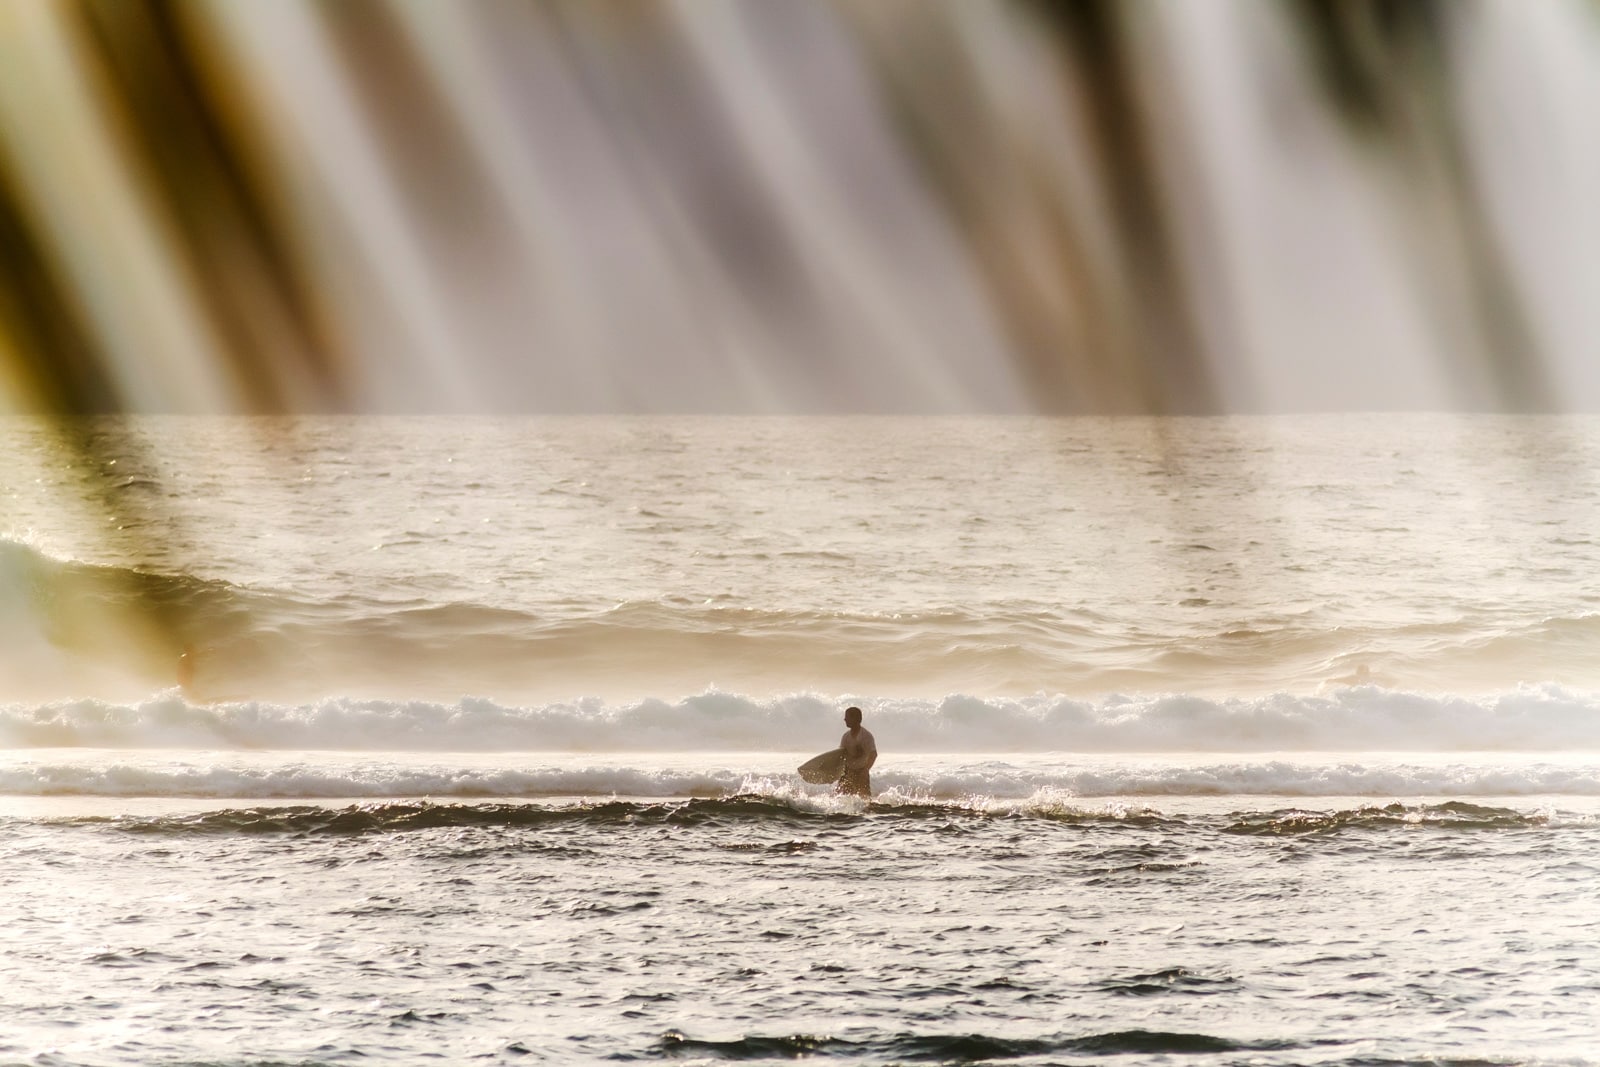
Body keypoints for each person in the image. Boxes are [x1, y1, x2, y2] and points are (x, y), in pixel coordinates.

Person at [837, 706, 877, 797]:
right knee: (839, 797)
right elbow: (840, 755)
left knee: (865, 799)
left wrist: (865, 770)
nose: (845, 719)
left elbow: (873, 754)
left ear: (855, 718)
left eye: (847, 717)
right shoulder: (846, 736)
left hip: (861, 771)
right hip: (847, 772)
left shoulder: (866, 736)